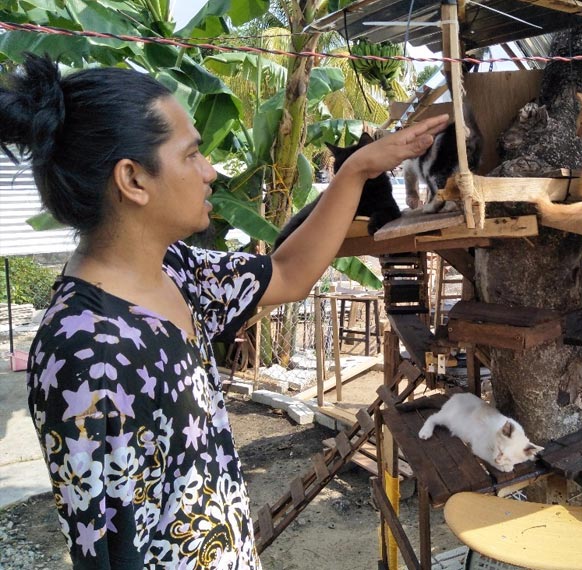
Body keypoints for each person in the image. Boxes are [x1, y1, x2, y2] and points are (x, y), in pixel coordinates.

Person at [0, 54, 448, 568]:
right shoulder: (87, 352)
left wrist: (358, 170)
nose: (210, 172)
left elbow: (288, 274)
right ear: (133, 180)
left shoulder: (176, 269)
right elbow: (108, 555)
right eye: (191, 155)